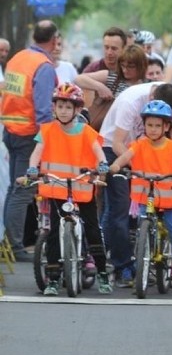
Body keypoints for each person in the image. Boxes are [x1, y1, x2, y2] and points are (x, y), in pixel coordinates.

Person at [26, 84, 111, 295]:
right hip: (56, 188)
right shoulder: (46, 130)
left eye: (67, 106)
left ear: (76, 110)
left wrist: (102, 164)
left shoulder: (86, 132)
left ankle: (101, 272)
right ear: (54, 108)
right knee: (54, 232)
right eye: (60, 106)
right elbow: (37, 152)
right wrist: (32, 168)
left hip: (82, 188)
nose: (63, 110)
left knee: (92, 230)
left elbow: (98, 152)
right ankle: (53, 279)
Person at [107, 100, 172, 295]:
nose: (153, 129)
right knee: (141, 230)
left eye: (158, 126)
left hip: (169, 202)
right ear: (144, 125)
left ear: (166, 127)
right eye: (149, 125)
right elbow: (125, 157)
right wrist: (115, 166)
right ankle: (141, 270)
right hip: (144, 199)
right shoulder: (139, 144)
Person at [100, 82, 172, 286]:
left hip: (148, 153)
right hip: (116, 149)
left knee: (139, 207)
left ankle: (150, 255)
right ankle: (123, 265)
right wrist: (136, 166)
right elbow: (119, 143)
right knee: (120, 208)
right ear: (151, 96)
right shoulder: (131, 102)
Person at [0, 20, 60, 261]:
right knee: (23, 190)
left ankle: (7, 243)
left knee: (14, 189)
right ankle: (14, 246)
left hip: (11, 130)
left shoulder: (17, 58)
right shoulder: (43, 66)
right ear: (54, 39)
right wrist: (46, 140)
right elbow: (44, 109)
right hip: (28, 134)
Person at [75, 44, 148, 103]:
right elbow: (78, 79)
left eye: (130, 67)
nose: (125, 70)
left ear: (141, 66)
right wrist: (100, 87)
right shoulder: (113, 78)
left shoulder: (148, 85)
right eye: (123, 65)